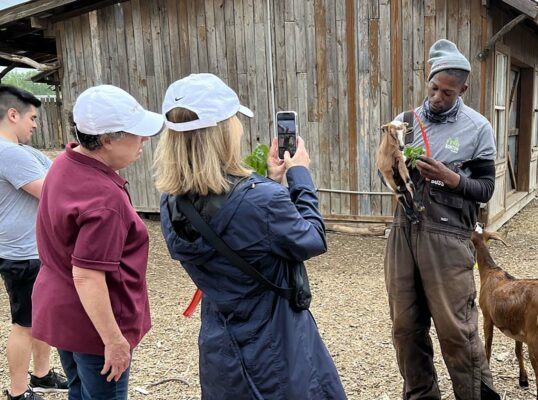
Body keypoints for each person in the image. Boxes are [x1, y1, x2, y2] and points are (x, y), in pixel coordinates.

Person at [154, 73, 346, 400]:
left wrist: (273, 180)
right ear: (222, 132)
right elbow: (312, 238)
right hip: (276, 346)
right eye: (233, 120)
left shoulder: (172, 202)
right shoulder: (261, 200)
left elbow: (241, 223)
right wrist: (299, 174)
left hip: (221, 347)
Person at [382, 39, 500, 400]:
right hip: (403, 231)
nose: (437, 97)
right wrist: (389, 164)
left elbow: (486, 188)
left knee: (457, 330)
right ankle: (421, 395)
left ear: (463, 89)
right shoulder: (404, 123)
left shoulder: (477, 128)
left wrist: (450, 178)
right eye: (434, 88)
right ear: (427, 79)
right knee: (405, 327)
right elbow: (387, 173)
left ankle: (476, 395)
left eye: (448, 92)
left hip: (448, 238)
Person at [31, 85, 164, 399]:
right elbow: (88, 275)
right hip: (94, 324)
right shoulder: (104, 198)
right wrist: (114, 340)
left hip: (63, 312)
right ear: (107, 140)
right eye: (137, 133)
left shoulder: (65, 163)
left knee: (79, 391)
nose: (144, 140)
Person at [0, 85, 68, 400]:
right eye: (32, 118)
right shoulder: (8, 152)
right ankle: (17, 392)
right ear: (12, 114)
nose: (36, 124)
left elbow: (58, 174)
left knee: (41, 317)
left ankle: (41, 375)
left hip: (33, 249)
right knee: (24, 324)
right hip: (22, 254)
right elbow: (55, 192)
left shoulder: (23, 151)